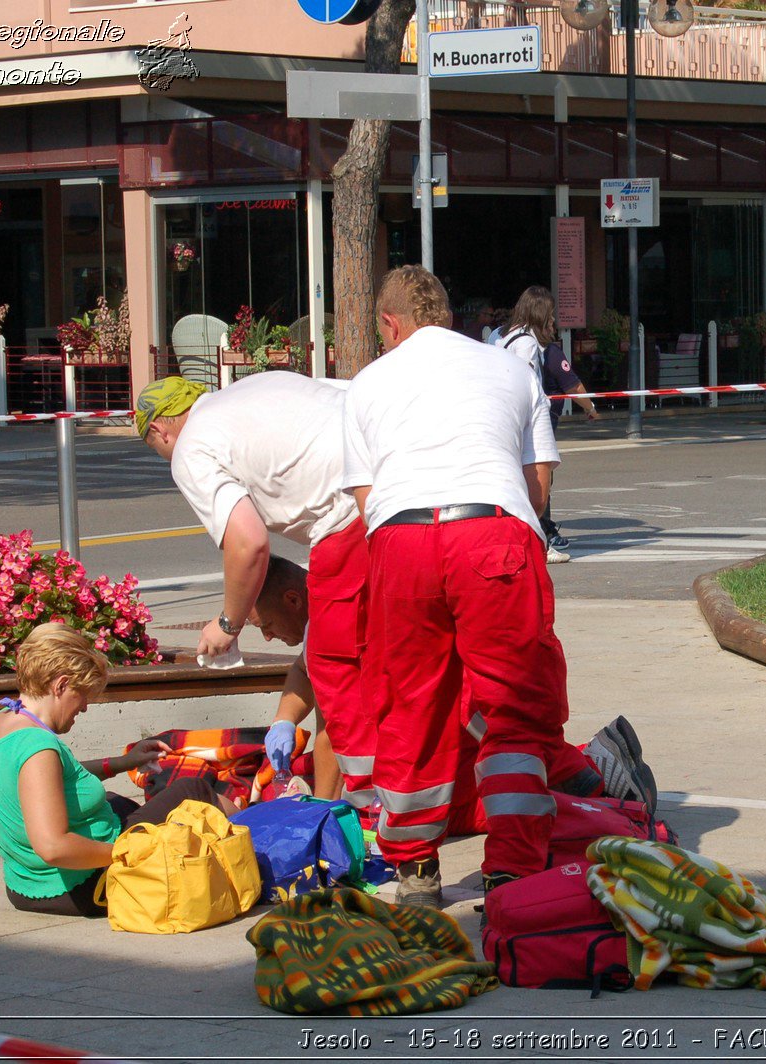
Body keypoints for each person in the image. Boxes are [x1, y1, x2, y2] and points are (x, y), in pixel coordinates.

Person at [341, 265, 585, 907]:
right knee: (513, 705)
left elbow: (369, 500)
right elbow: (538, 482)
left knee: (409, 702)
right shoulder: (510, 368)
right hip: (494, 531)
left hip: (403, 537)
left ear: (389, 324)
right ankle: (511, 868)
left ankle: (416, 870)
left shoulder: (367, 383)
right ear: (446, 316)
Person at [249, 553, 656, 836]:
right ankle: (584, 766)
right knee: (501, 766)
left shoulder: (332, 619)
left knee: (460, 810)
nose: (268, 635)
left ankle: (595, 784)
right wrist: (285, 720)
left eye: (266, 624)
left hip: (441, 727)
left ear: (292, 599)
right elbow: (304, 671)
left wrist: (324, 819)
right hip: (455, 716)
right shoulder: (329, 607)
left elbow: (333, 730)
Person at [135, 371, 366, 808]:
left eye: (157, 449)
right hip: (405, 498)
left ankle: (328, 817)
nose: (166, 458)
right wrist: (283, 722)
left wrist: (228, 623)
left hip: (349, 519)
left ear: (161, 430)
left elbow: (248, 542)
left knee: (338, 690)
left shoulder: (190, 447)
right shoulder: (254, 391)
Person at [0, 623, 234, 917]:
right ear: (60, 685)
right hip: (82, 886)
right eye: (83, 694)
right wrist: (127, 854)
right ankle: (253, 851)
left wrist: (122, 763)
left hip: (26, 886)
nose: (85, 707)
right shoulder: (39, 747)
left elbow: (50, 778)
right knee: (195, 789)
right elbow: (52, 847)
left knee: (116, 802)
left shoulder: (4, 721)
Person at [496, 285, 598, 563]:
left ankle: (526, 536)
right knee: (539, 482)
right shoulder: (531, 344)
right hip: (529, 420)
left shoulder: (501, 337)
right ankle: (540, 539)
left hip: (506, 418)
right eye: (550, 315)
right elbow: (529, 382)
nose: (553, 321)